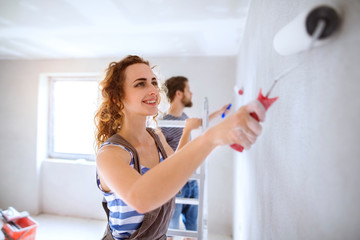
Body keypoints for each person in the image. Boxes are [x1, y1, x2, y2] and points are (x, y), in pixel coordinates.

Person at [94, 55, 266, 240]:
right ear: (116, 98)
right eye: (140, 84)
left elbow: (177, 175)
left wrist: (220, 136)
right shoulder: (110, 153)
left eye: (153, 82)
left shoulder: (156, 136)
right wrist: (211, 137)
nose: (153, 89)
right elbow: (141, 199)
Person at [161, 76, 229, 235]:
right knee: (171, 231)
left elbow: (198, 123)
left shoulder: (184, 117)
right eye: (188, 90)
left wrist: (219, 112)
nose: (191, 93)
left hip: (192, 181)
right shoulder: (164, 122)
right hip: (176, 185)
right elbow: (171, 158)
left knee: (192, 230)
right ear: (179, 93)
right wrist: (187, 130)